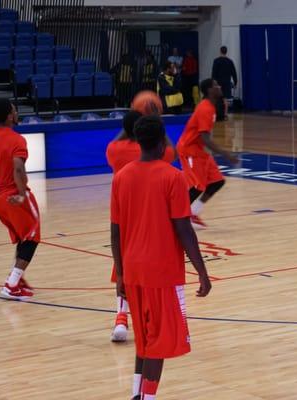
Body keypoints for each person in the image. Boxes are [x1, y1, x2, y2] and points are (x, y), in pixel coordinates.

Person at [110, 115, 212, 400]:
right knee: (159, 342)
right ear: (161, 141)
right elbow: (184, 229)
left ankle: (136, 394)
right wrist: (202, 272)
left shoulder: (122, 176)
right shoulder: (172, 176)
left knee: (144, 339)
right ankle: (147, 398)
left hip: (132, 269)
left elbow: (114, 233)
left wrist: (120, 273)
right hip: (161, 272)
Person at [105, 110, 176, 342]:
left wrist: (129, 126)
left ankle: (121, 318)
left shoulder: (114, 150)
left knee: (122, 270)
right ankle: (148, 320)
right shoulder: (153, 152)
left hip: (124, 218)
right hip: (151, 218)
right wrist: (158, 125)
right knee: (150, 271)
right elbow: (170, 152)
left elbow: (115, 142)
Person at [0, 98, 40, 300]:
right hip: (13, 196)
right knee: (32, 238)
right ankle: (11, 283)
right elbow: (18, 168)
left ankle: (17, 279)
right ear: (10, 115)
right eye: (15, 110)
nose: (17, 113)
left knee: (22, 236)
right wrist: (21, 194)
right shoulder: (16, 139)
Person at [176, 78, 238, 230]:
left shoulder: (211, 107)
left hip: (200, 151)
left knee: (217, 182)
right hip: (189, 150)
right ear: (210, 90)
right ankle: (176, 217)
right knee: (197, 186)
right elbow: (204, 137)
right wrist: (225, 153)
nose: (219, 86)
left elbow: (205, 137)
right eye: (216, 85)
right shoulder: (205, 108)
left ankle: (193, 212)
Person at [211, 46, 237, 119]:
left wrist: (213, 82)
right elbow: (234, 73)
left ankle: (215, 114)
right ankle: (225, 114)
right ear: (226, 51)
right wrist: (235, 82)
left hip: (218, 83)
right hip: (226, 82)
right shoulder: (230, 61)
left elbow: (213, 73)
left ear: (220, 51)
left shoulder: (216, 61)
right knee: (225, 99)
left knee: (216, 99)